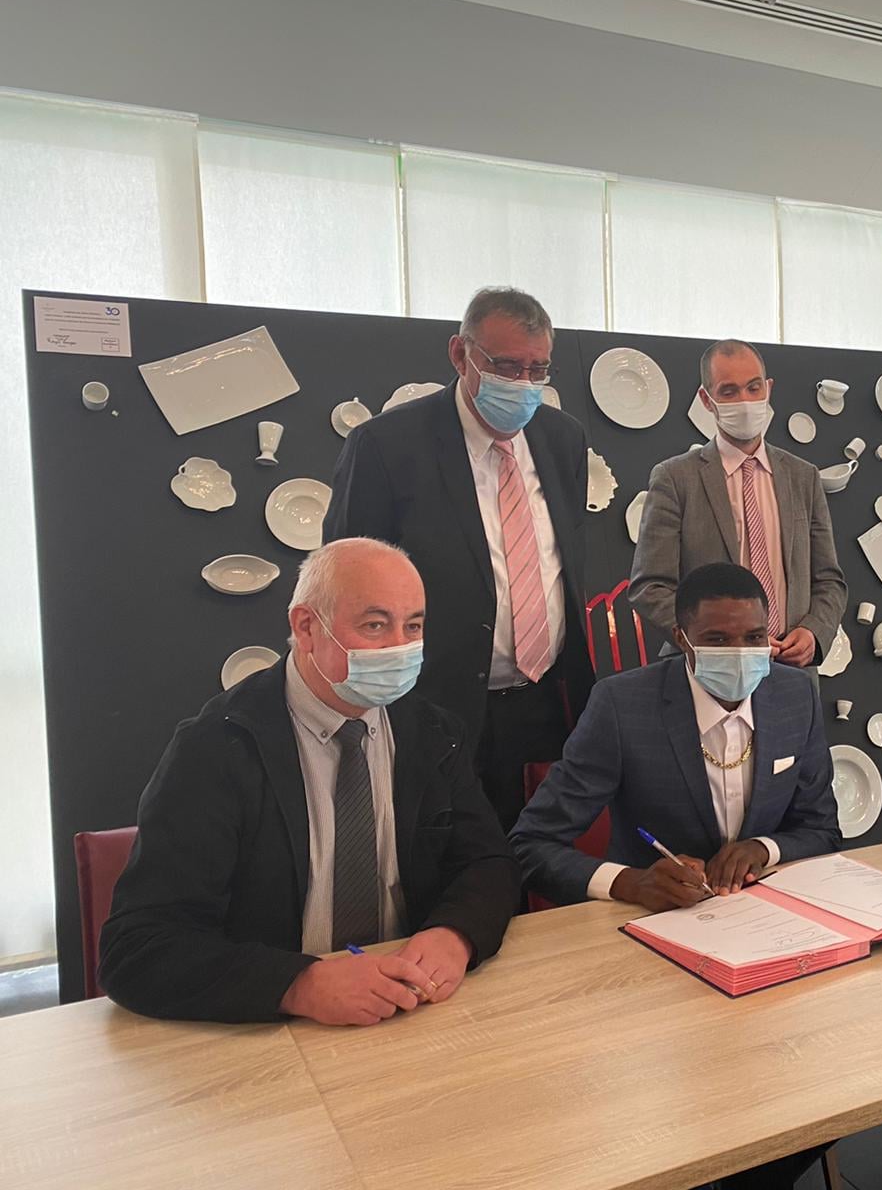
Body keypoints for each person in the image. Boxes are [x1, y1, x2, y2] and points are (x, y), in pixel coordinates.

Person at [99, 539, 520, 1026]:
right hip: (273, 1029)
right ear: (305, 627)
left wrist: (455, 933)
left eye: (414, 626)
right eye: (375, 625)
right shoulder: (216, 748)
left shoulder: (434, 732)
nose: (399, 647)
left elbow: (489, 862)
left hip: (410, 1009)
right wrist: (297, 984)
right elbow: (138, 947)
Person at [325, 286, 593, 833]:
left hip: (548, 701)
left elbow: (561, 560)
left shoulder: (563, 439)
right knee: (444, 850)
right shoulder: (386, 446)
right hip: (435, 702)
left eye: (537, 370)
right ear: (459, 354)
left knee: (541, 851)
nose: (522, 384)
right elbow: (345, 580)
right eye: (506, 366)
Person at [512, 562, 842, 910]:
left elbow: (822, 831)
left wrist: (763, 848)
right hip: (651, 915)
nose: (739, 652)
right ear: (681, 639)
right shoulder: (622, 706)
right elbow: (531, 844)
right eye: (717, 640)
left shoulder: (795, 696)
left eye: (754, 638)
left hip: (766, 914)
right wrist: (631, 883)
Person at [630, 339, 846, 671]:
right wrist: (715, 643)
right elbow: (650, 586)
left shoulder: (804, 477)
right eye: (729, 392)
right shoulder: (675, 478)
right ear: (707, 399)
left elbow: (829, 579)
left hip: (791, 670)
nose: (745, 401)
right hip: (707, 672)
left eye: (753, 387)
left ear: (768, 388)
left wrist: (814, 631)